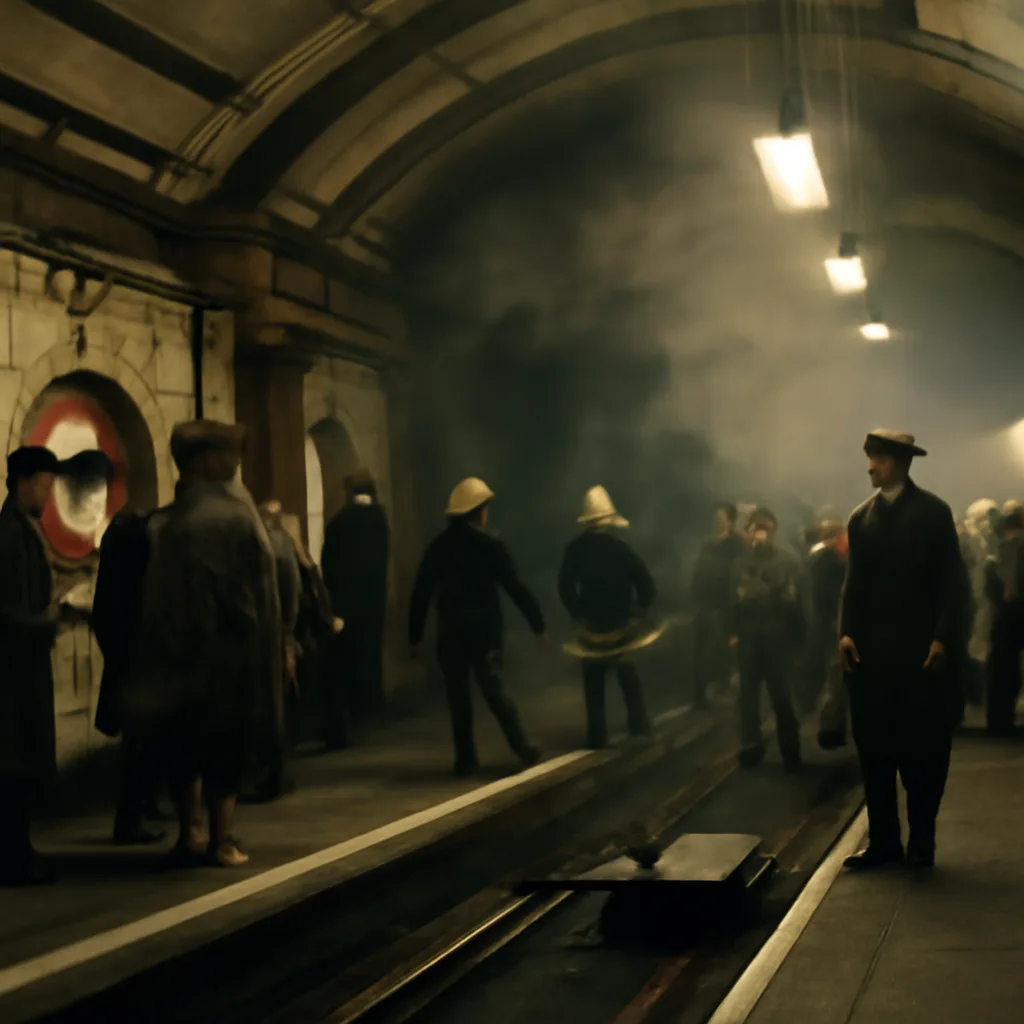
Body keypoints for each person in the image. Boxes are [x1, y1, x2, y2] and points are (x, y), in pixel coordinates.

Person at [134, 420, 282, 868]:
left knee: (182, 748)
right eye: (227, 452)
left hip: (172, 660)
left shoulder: (160, 523)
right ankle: (222, 837)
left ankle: (190, 833)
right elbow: (264, 594)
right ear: (205, 460)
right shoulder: (236, 518)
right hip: (228, 657)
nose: (235, 461)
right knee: (226, 747)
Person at [840, 429, 968, 870]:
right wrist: (846, 632)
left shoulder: (933, 513)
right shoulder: (861, 519)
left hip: (919, 655)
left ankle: (921, 843)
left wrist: (942, 637)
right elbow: (854, 584)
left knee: (922, 753)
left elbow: (952, 583)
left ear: (901, 463)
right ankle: (885, 843)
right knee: (875, 754)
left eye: (879, 459)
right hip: (873, 658)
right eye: (870, 458)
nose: (871, 467)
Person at [409, 477, 545, 775]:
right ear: (477, 511)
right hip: (485, 634)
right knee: (495, 691)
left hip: (451, 633)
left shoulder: (438, 547)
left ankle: (466, 759)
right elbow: (515, 586)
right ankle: (521, 746)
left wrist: (414, 636)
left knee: (458, 697)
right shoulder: (490, 545)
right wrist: (537, 623)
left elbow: (422, 592)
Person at [0, 447, 59, 885]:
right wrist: (53, 617)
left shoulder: (20, 527)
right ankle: (14, 858)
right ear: (23, 482)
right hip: (13, 672)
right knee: (13, 763)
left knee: (19, 763)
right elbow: (9, 610)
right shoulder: (10, 534)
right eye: (44, 485)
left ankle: (19, 851)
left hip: (21, 666)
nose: (48, 495)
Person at [92, 504, 168, 844]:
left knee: (140, 741)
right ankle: (131, 819)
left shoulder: (115, 565)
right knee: (141, 742)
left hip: (126, 661)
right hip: (139, 664)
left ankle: (141, 808)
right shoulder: (135, 572)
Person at [558, 486, 655, 748]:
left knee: (594, 684)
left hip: (591, 628)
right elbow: (646, 585)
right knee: (628, 678)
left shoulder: (575, 549)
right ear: (609, 520)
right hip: (621, 627)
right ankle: (639, 725)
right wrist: (638, 613)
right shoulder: (620, 549)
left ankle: (597, 735)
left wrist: (579, 614)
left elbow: (565, 588)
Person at [728, 506, 804, 771]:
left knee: (782, 697)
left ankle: (790, 750)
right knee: (748, 698)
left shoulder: (787, 562)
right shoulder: (740, 564)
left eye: (765, 528)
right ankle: (751, 746)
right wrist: (733, 632)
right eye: (756, 528)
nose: (760, 533)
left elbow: (797, 603)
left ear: (774, 530)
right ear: (749, 532)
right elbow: (733, 601)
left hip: (777, 640)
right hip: (749, 640)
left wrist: (798, 640)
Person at [321, 468, 390, 741]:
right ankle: (371, 702)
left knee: (349, 655)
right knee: (370, 650)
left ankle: (354, 707)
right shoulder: (379, 519)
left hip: (346, 600)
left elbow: (329, 564)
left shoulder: (340, 523)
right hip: (374, 599)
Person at [246, 500, 303, 802]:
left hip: (255, 635)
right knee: (277, 706)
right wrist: (289, 632)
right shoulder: (282, 545)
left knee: (261, 707)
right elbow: (293, 589)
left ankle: (267, 774)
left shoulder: (249, 545)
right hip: (276, 633)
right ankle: (277, 774)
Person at [690, 503, 746, 709]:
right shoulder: (708, 544)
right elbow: (698, 572)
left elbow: (741, 572)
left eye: (722, 518)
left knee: (724, 649)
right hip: (705, 605)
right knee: (700, 651)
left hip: (726, 605)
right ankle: (699, 697)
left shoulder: (737, 545)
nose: (719, 522)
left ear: (731, 521)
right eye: (717, 518)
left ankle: (725, 687)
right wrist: (694, 598)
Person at [810, 513, 850, 749]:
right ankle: (831, 729)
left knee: (837, 678)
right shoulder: (829, 561)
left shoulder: (822, 559)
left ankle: (836, 728)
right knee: (836, 679)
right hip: (835, 627)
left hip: (833, 626)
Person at [983, 505, 1024, 735]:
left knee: (1002, 668)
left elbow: (994, 588)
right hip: (1014, 611)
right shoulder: (1013, 547)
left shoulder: (998, 550)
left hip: (1005, 615)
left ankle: (999, 718)